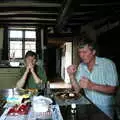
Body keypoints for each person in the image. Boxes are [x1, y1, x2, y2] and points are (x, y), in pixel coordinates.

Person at [67, 38, 119, 119]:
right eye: (79, 52)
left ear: (93, 52)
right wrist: (71, 75)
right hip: (87, 106)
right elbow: (77, 89)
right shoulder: (81, 66)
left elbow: (113, 89)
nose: (81, 55)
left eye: (84, 52)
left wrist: (92, 86)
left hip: (105, 108)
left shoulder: (108, 64)